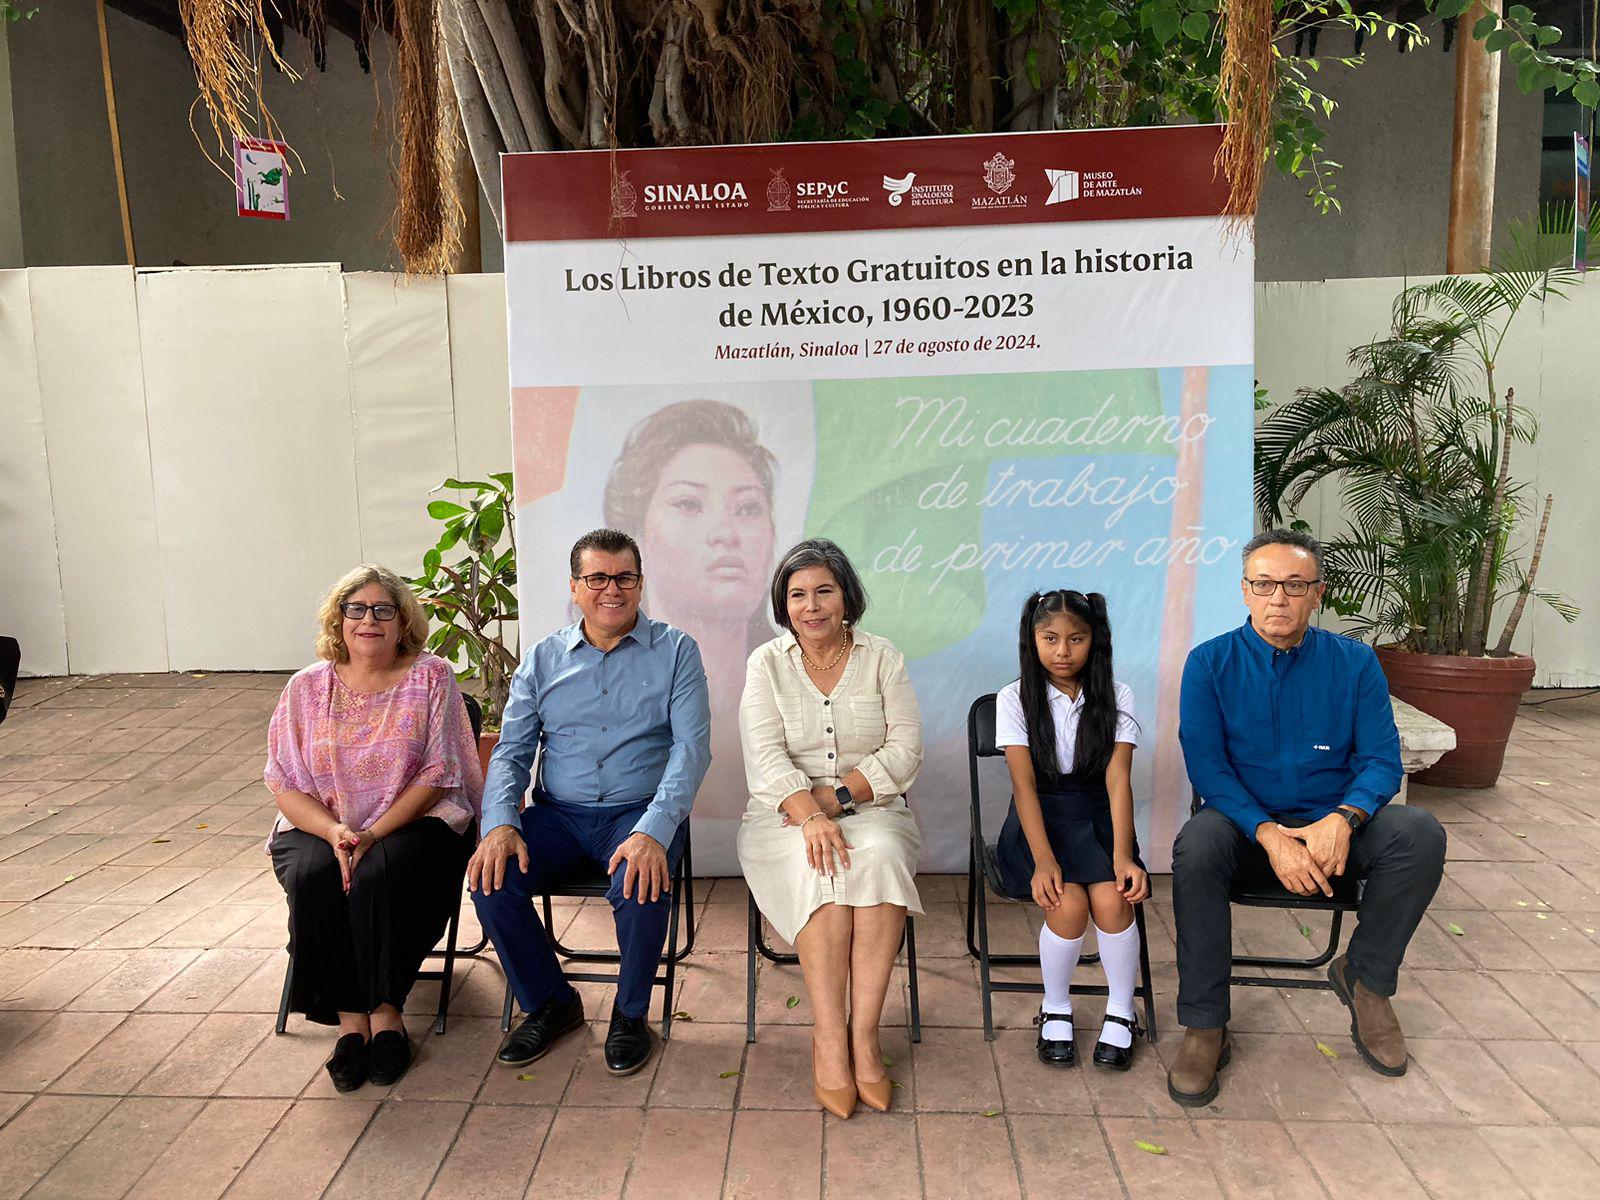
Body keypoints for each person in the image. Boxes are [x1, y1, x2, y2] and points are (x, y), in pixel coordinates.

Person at [1168, 528, 1447, 1107]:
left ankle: (1366, 981)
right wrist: (1269, 834)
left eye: (1294, 585)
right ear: (1244, 591)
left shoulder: (1354, 663)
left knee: (1418, 833)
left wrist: (1343, 819)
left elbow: (1380, 760)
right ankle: (1204, 1024)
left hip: (1335, 831)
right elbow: (1209, 770)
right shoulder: (1210, 664)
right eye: (1264, 584)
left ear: (1317, 593)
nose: (1278, 598)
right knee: (1196, 847)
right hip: (1246, 829)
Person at [469, 528, 711, 1077]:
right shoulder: (542, 659)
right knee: (491, 879)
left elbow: (691, 751)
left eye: (624, 577)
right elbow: (511, 752)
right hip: (557, 815)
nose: (612, 589)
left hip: (638, 811)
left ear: (640, 583)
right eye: (596, 577)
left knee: (639, 880)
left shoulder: (677, 652)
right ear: (574, 587)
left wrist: (654, 829)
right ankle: (551, 1003)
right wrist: (501, 823)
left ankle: (630, 1016)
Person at [265, 565, 482, 1092]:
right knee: (315, 876)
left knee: (379, 874)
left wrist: (373, 834)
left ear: (403, 621)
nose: (369, 620)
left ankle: (386, 1014)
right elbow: (284, 780)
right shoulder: (306, 688)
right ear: (337, 621)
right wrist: (337, 832)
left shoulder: (432, 677)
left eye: (383, 610)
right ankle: (349, 1021)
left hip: (414, 820)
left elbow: (440, 773)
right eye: (355, 609)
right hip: (321, 824)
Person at [737, 539, 923, 1120]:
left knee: (882, 854)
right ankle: (828, 1038)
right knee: (823, 868)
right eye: (797, 595)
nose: (811, 606)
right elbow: (764, 755)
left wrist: (836, 798)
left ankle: (864, 1037)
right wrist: (810, 815)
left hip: (871, 807)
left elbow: (906, 747)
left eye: (824, 591)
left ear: (847, 597)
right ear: (782, 603)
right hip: (781, 816)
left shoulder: (881, 656)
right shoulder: (766, 663)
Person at [604, 400, 778, 861]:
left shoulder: (795, 674)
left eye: (747, 508)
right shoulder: (605, 677)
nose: (727, 533)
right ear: (639, 537)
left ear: (773, 538)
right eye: (688, 503)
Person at [994, 589, 1149, 1071]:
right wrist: (1044, 861)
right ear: (1032, 640)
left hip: (1099, 817)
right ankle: (1056, 1005)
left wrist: (1123, 855)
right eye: (1050, 638)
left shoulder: (1117, 696)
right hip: (1038, 822)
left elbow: (1117, 779)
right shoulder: (1014, 698)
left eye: (1076, 639)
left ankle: (1122, 1010)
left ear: (1094, 641)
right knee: (1070, 903)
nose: (1062, 651)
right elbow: (1023, 787)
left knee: (1111, 898)